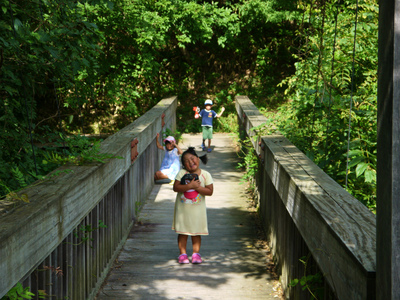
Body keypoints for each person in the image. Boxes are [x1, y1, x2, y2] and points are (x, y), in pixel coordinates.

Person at [172, 147, 213, 264]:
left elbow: (209, 191)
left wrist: (197, 187)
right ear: (184, 165)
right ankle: (182, 254)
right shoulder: (182, 173)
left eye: (192, 158)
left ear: (198, 158)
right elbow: (176, 188)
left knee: (196, 233)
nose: (190, 162)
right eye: (186, 161)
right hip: (182, 212)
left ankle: (196, 254)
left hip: (197, 212)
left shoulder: (205, 175)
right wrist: (189, 186)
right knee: (183, 233)